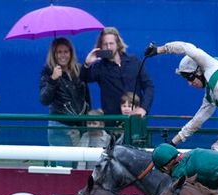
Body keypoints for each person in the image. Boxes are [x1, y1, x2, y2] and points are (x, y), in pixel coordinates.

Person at [144, 41, 218, 153]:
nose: (190, 83)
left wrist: (159, 50)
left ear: (199, 71)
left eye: (190, 77)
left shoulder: (211, 66)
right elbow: (195, 122)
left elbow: (186, 47)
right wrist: (172, 143)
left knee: (217, 149)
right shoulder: (210, 97)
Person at [40, 37, 90, 166]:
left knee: (80, 167)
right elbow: (44, 100)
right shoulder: (48, 71)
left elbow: (86, 97)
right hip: (60, 126)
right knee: (64, 168)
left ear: (71, 53)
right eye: (59, 52)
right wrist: (53, 80)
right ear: (54, 54)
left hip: (80, 126)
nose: (63, 55)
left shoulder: (78, 70)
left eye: (66, 51)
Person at [81, 27, 153, 117]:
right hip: (113, 120)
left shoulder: (134, 62)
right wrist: (87, 64)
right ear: (101, 47)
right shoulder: (99, 67)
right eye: (105, 44)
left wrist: (144, 108)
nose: (108, 47)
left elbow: (148, 86)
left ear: (118, 44)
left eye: (111, 43)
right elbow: (84, 78)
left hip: (136, 118)